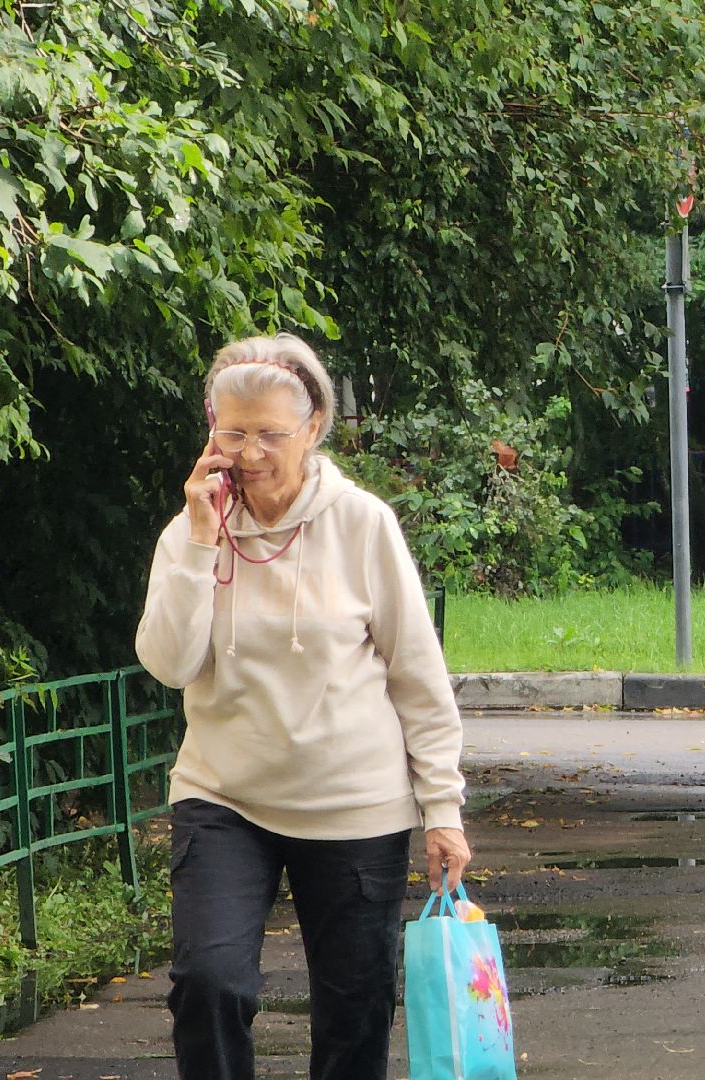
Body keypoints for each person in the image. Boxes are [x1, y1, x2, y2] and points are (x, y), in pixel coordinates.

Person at [135, 333, 472, 1080]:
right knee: (208, 985)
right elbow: (167, 663)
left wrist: (442, 807)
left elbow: (417, 670)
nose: (250, 452)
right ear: (211, 431)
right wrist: (197, 542)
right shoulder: (191, 533)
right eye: (233, 432)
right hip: (225, 797)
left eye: (270, 434)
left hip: (355, 804)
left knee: (355, 1012)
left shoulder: (362, 524)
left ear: (313, 429)